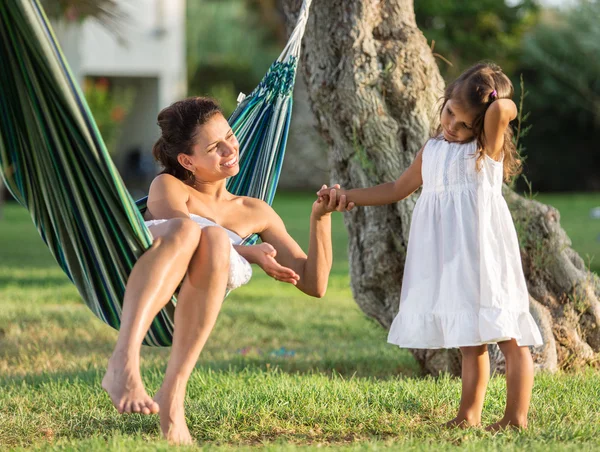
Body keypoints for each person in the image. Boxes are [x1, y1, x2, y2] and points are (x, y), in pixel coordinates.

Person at [101, 97, 353, 444]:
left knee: (217, 239)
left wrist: (320, 217)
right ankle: (123, 360)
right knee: (195, 232)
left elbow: (314, 284)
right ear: (187, 160)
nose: (230, 150)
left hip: (197, 299)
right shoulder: (169, 187)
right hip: (157, 279)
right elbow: (183, 236)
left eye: (230, 137)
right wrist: (248, 252)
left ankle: (172, 395)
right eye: (215, 147)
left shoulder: (254, 211)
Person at [318, 62, 543, 431]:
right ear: (444, 100)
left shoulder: (486, 147)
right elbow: (395, 189)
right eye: (450, 113)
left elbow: (503, 110)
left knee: (509, 335)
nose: (452, 127)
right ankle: (468, 414)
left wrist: (492, 99)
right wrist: (347, 196)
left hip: (486, 256)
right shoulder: (433, 149)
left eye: (464, 124)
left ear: (482, 123)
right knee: (469, 340)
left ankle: (515, 418)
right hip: (452, 258)